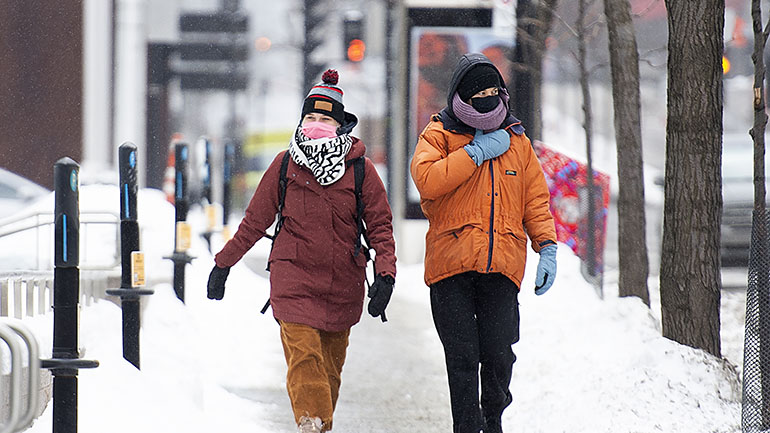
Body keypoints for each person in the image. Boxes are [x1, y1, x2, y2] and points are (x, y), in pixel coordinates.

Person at [207, 69, 397, 433]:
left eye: (325, 118)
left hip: (343, 284)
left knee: (328, 371)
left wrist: (386, 275)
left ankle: (318, 424)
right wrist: (223, 264)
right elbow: (254, 222)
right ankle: (311, 426)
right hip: (292, 279)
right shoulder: (284, 165)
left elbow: (380, 228)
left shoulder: (361, 171)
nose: (316, 124)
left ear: (341, 124)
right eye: (310, 117)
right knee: (304, 359)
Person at [409, 53, 558, 433]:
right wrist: (472, 154)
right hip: (450, 265)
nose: (489, 96)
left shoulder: (517, 141)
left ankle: (492, 419)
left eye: (495, 89)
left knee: (498, 355)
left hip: (501, 265)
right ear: (462, 94)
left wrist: (547, 246)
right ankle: (468, 428)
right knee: (462, 359)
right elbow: (428, 180)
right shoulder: (439, 134)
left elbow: (535, 200)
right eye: (480, 91)